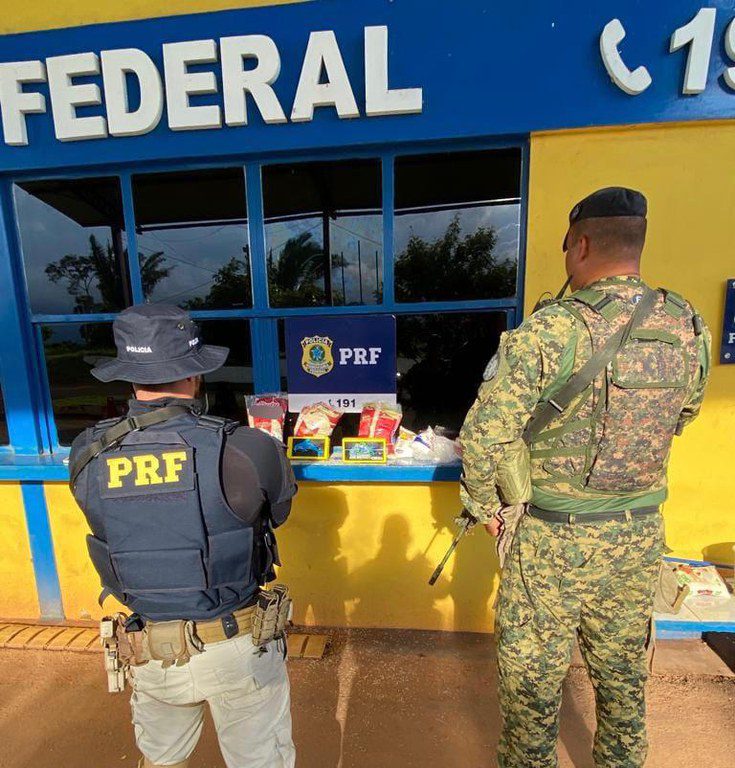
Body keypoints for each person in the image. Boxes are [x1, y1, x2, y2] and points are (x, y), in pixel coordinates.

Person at [460, 187, 711, 768]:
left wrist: (487, 508)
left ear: (583, 244)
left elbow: (484, 436)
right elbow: (686, 413)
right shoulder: (686, 324)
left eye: (568, 247)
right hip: (638, 535)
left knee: (531, 687)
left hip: (552, 541)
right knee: (623, 679)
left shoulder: (551, 330)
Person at [68, 304, 298, 768]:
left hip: (150, 652)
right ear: (195, 375)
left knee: (162, 763)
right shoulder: (248, 447)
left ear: (129, 376)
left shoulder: (87, 452)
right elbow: (278, 513)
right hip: (238, 648)